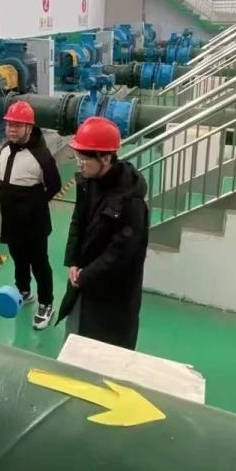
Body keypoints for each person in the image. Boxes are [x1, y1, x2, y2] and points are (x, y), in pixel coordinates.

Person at [56, 117, 149, 350]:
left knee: (104, 350)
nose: (79, 164)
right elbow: (77, 220)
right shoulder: (88, 181)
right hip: (84, 280)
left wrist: (85, 275)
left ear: (106, 158)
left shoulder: (130, 203)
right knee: (76, 337)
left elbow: (120, 254)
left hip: (112, 295)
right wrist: (73, 262)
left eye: (84, 158)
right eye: (78, 156)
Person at [0, 101, 62, 329]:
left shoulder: (41, 156)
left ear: (29, 127)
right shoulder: (5, 149)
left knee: (39, 263)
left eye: (17, 125)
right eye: (9, 125)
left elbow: (55, 185)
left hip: (34, 222)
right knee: (19, 259)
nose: (12, 129)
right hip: (10, 219)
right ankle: (23, 290)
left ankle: (46, 303)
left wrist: (35, 204)